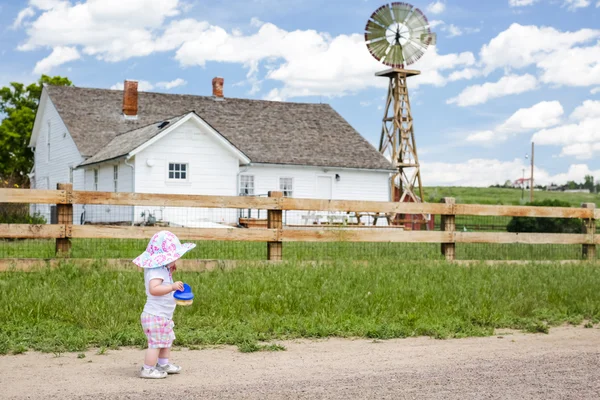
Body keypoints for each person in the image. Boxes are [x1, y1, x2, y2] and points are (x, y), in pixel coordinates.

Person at [132, 230, 196, 379]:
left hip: (163, 316)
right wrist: (173, 287)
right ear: (164, 258)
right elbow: (154, 289)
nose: (176, 260)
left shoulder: (161, 269)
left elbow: (163, 283)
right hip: (155, 316)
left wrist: (170, 272)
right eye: (174, 257)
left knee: (166, 341)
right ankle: (147, 369)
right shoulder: (156, 271)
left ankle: (163, 364)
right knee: (155, 344)